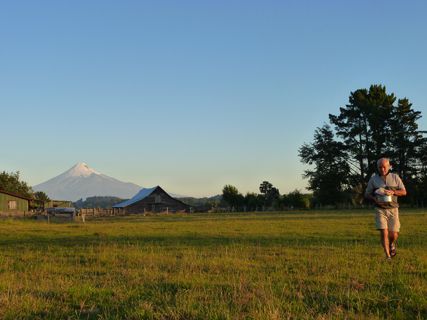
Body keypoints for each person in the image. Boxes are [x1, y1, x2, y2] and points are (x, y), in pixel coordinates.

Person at [365, 158, 406, 260]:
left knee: (394, 234)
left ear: (389, 166)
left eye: (384, 167)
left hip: (393, 209)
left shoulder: (395, 177)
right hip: (380, 209)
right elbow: (367, 194)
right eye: (380, 167)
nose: (382, 169)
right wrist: (374, 199)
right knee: (384, 233)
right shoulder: (373, 179)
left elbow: (404, 192)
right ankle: (388, 257)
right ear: (378, 167)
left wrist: (393, 192)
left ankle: (391, 244)